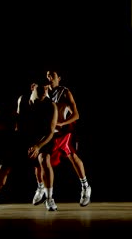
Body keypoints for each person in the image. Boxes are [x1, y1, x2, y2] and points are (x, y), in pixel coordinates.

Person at [0, 79, 59, 211]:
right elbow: (18, 125)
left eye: (47, 88)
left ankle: (50, 199)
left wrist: (38, 146)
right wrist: (2, 121)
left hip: (42, 140)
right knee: (4, 165)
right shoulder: (22, 100)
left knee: (44, 160)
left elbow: (51, 132)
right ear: (33, 86)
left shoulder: (51, 106)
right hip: (24, 137)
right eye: (41, 87)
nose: (45, 90)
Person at [31, 69, 91, 207]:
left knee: (72, 157)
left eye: (52, 74)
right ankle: (40, 188)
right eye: (47, 75)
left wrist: (61, 123)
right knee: (39, 160)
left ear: (59, 78)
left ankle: (85, 187)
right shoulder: (42, 90)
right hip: (47, 133)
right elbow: (32, 105)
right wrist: (33, 92)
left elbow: (76, 115)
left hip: (62, 133)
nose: (49, 77)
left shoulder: (65, 92)